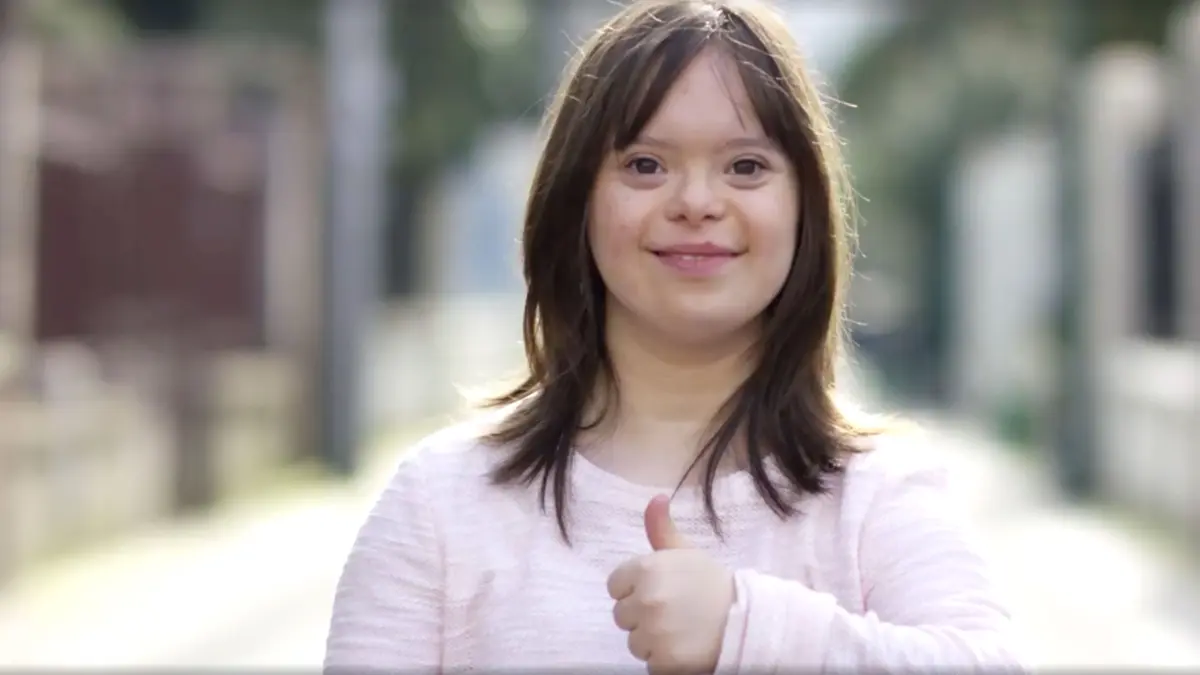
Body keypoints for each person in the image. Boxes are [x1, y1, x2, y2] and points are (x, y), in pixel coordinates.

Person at [324, 0, 1028, 672]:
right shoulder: (439, 504)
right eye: (645, 165)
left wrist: (746, 630)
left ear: (804, 208)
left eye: (746, 167)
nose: (696, 202)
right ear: (577, 201)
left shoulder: (876, 496)